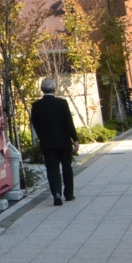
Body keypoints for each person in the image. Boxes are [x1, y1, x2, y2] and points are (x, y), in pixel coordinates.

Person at [30, 77, 80, 205]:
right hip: (63, 141)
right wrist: (75, 139)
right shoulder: (62, 103)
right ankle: (69, 194)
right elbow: (68, 122)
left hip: (47, 143)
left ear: (41, 89)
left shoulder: (36, 106)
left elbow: (35, 124)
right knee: (66, 167)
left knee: (52, 169)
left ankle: (56, 193)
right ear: (54, 89)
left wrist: (42, 137)